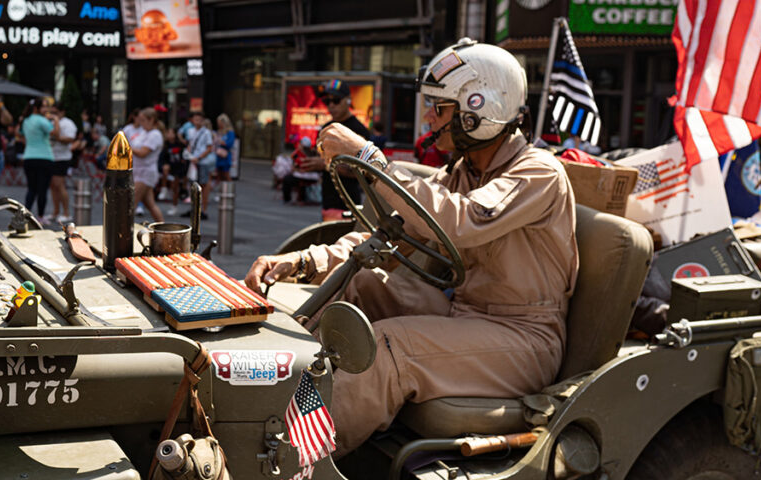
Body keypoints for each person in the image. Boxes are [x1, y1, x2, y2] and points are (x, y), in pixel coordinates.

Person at [244, 40, 578, 454]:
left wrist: (369, 156)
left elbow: (461, 221)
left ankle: (291, 458)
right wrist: (304, 259)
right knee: (361, 283)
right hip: (467, 314)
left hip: (524, 337)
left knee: (388, 346)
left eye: (439, 108)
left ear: (480, 108)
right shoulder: (462, 171)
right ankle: (262, 398)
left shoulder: (538, 172)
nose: (428, 118)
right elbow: (390, 230)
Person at [299, 79, 369, 221]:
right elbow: (321, 157)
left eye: (336, 100)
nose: (331, 106)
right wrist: (305, 158)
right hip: (327, 202)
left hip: (347, 204)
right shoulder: (327, 127)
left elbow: (362, 170)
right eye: (327, 101)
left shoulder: (358, 130)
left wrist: (324, 164)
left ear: (348, 100)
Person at [20, 97, 59, 223]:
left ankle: (25, 214)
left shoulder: (25, 120)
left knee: (32, 188)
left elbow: (20, 135)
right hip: (45, 157)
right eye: (44, 106)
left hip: (28, 157)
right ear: (37, 108)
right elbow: (56, 133)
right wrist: (56, 120)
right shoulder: (42, 120)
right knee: (42, 189)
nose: (46, 109)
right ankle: (41, 217)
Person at [129, 107, 165, 222]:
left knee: (130, 204)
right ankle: (164, 230)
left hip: (145, 172)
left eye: (143, 120)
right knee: (151, 205)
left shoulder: (155, 135)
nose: (141, 123)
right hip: (139, 171)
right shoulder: (144, 132)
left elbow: (143, 153)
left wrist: (127, 147)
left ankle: (122, 234)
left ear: (151, 120)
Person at [182, 111, 213, 219]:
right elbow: (190, 144)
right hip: (192, 161)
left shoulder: (206, 133)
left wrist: (199, 157)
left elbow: (209, 147)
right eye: (195, 119)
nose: (197, 122)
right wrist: (188, 154)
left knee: (203, 186)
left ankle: (203, 210)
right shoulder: (190, 131)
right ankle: (194, 209)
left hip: (202, 161)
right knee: (192, 185)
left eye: (199, 120)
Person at [49, 104, 77, 223]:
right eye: (52, 112)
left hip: (62, 158)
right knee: (53, 186)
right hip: (51, 157)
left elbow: (70, 139)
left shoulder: (68, 123)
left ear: (62, 112)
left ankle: (66, 213)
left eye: (56, 112)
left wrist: (57, 137)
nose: (53, 115)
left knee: (59, 185)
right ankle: (56, 212)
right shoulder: (50, 122)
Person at [158, 127, 186, 216]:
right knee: (165, 171)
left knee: (175, 187)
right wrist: (164, 165)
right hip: (169, 168)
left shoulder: (180, 145)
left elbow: (184, 156)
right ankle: (164, 188)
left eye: (171, 133)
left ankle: (174, 206)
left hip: (178, 168)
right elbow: (162, 158)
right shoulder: (166, 146)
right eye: (168, 133)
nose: (169, 135)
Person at [212, 113, 236, 188]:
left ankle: (230, 191)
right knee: (219, 175)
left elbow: (230, 144)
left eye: (220, 123)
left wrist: (220, 141)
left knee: (226, 174)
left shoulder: (230, 132)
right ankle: (222, 191)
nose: (218, 125)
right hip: (218, 155)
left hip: (225, 156)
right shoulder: (219, 132)